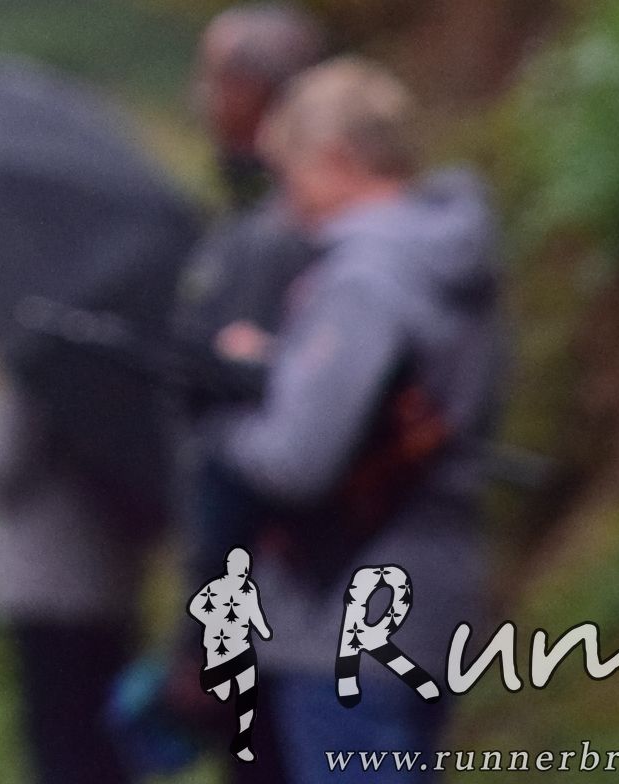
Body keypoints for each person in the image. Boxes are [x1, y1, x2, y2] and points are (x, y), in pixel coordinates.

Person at [203, 59, 504, 773]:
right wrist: (288, 364)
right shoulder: (449, 254)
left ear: (336, 159)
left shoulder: (363, 279)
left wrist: (227, 417)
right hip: (435, 586)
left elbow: (297, 458)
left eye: (293, 174)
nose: (290, 204)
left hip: (346, 607)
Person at [161, 2, 326, 780]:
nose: (203, 100)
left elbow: (237, 446)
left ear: (257, 94)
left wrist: (202, 632)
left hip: (278, 601)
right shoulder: (272, 223)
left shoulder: (272, 238)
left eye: (215, 80)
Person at [0, 361, 149, 784]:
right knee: (101, 739)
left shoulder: (45, 378)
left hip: (47, 588)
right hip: (112, 583)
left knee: (59, 739)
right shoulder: (123, 388)